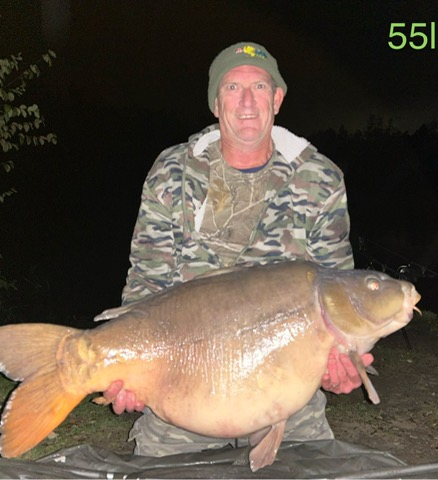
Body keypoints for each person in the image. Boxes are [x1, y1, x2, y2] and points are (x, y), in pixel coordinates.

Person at [101, 41, 374, 456]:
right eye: (232, 88)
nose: (247, 102)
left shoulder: (320, 179)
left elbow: (339, 293)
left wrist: (343, 365)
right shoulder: (171, 173)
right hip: (182, 390)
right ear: (216, 103)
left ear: (277, 99)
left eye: (259, 87)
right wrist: (126, 368)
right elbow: (146, 283)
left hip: (287, 403)